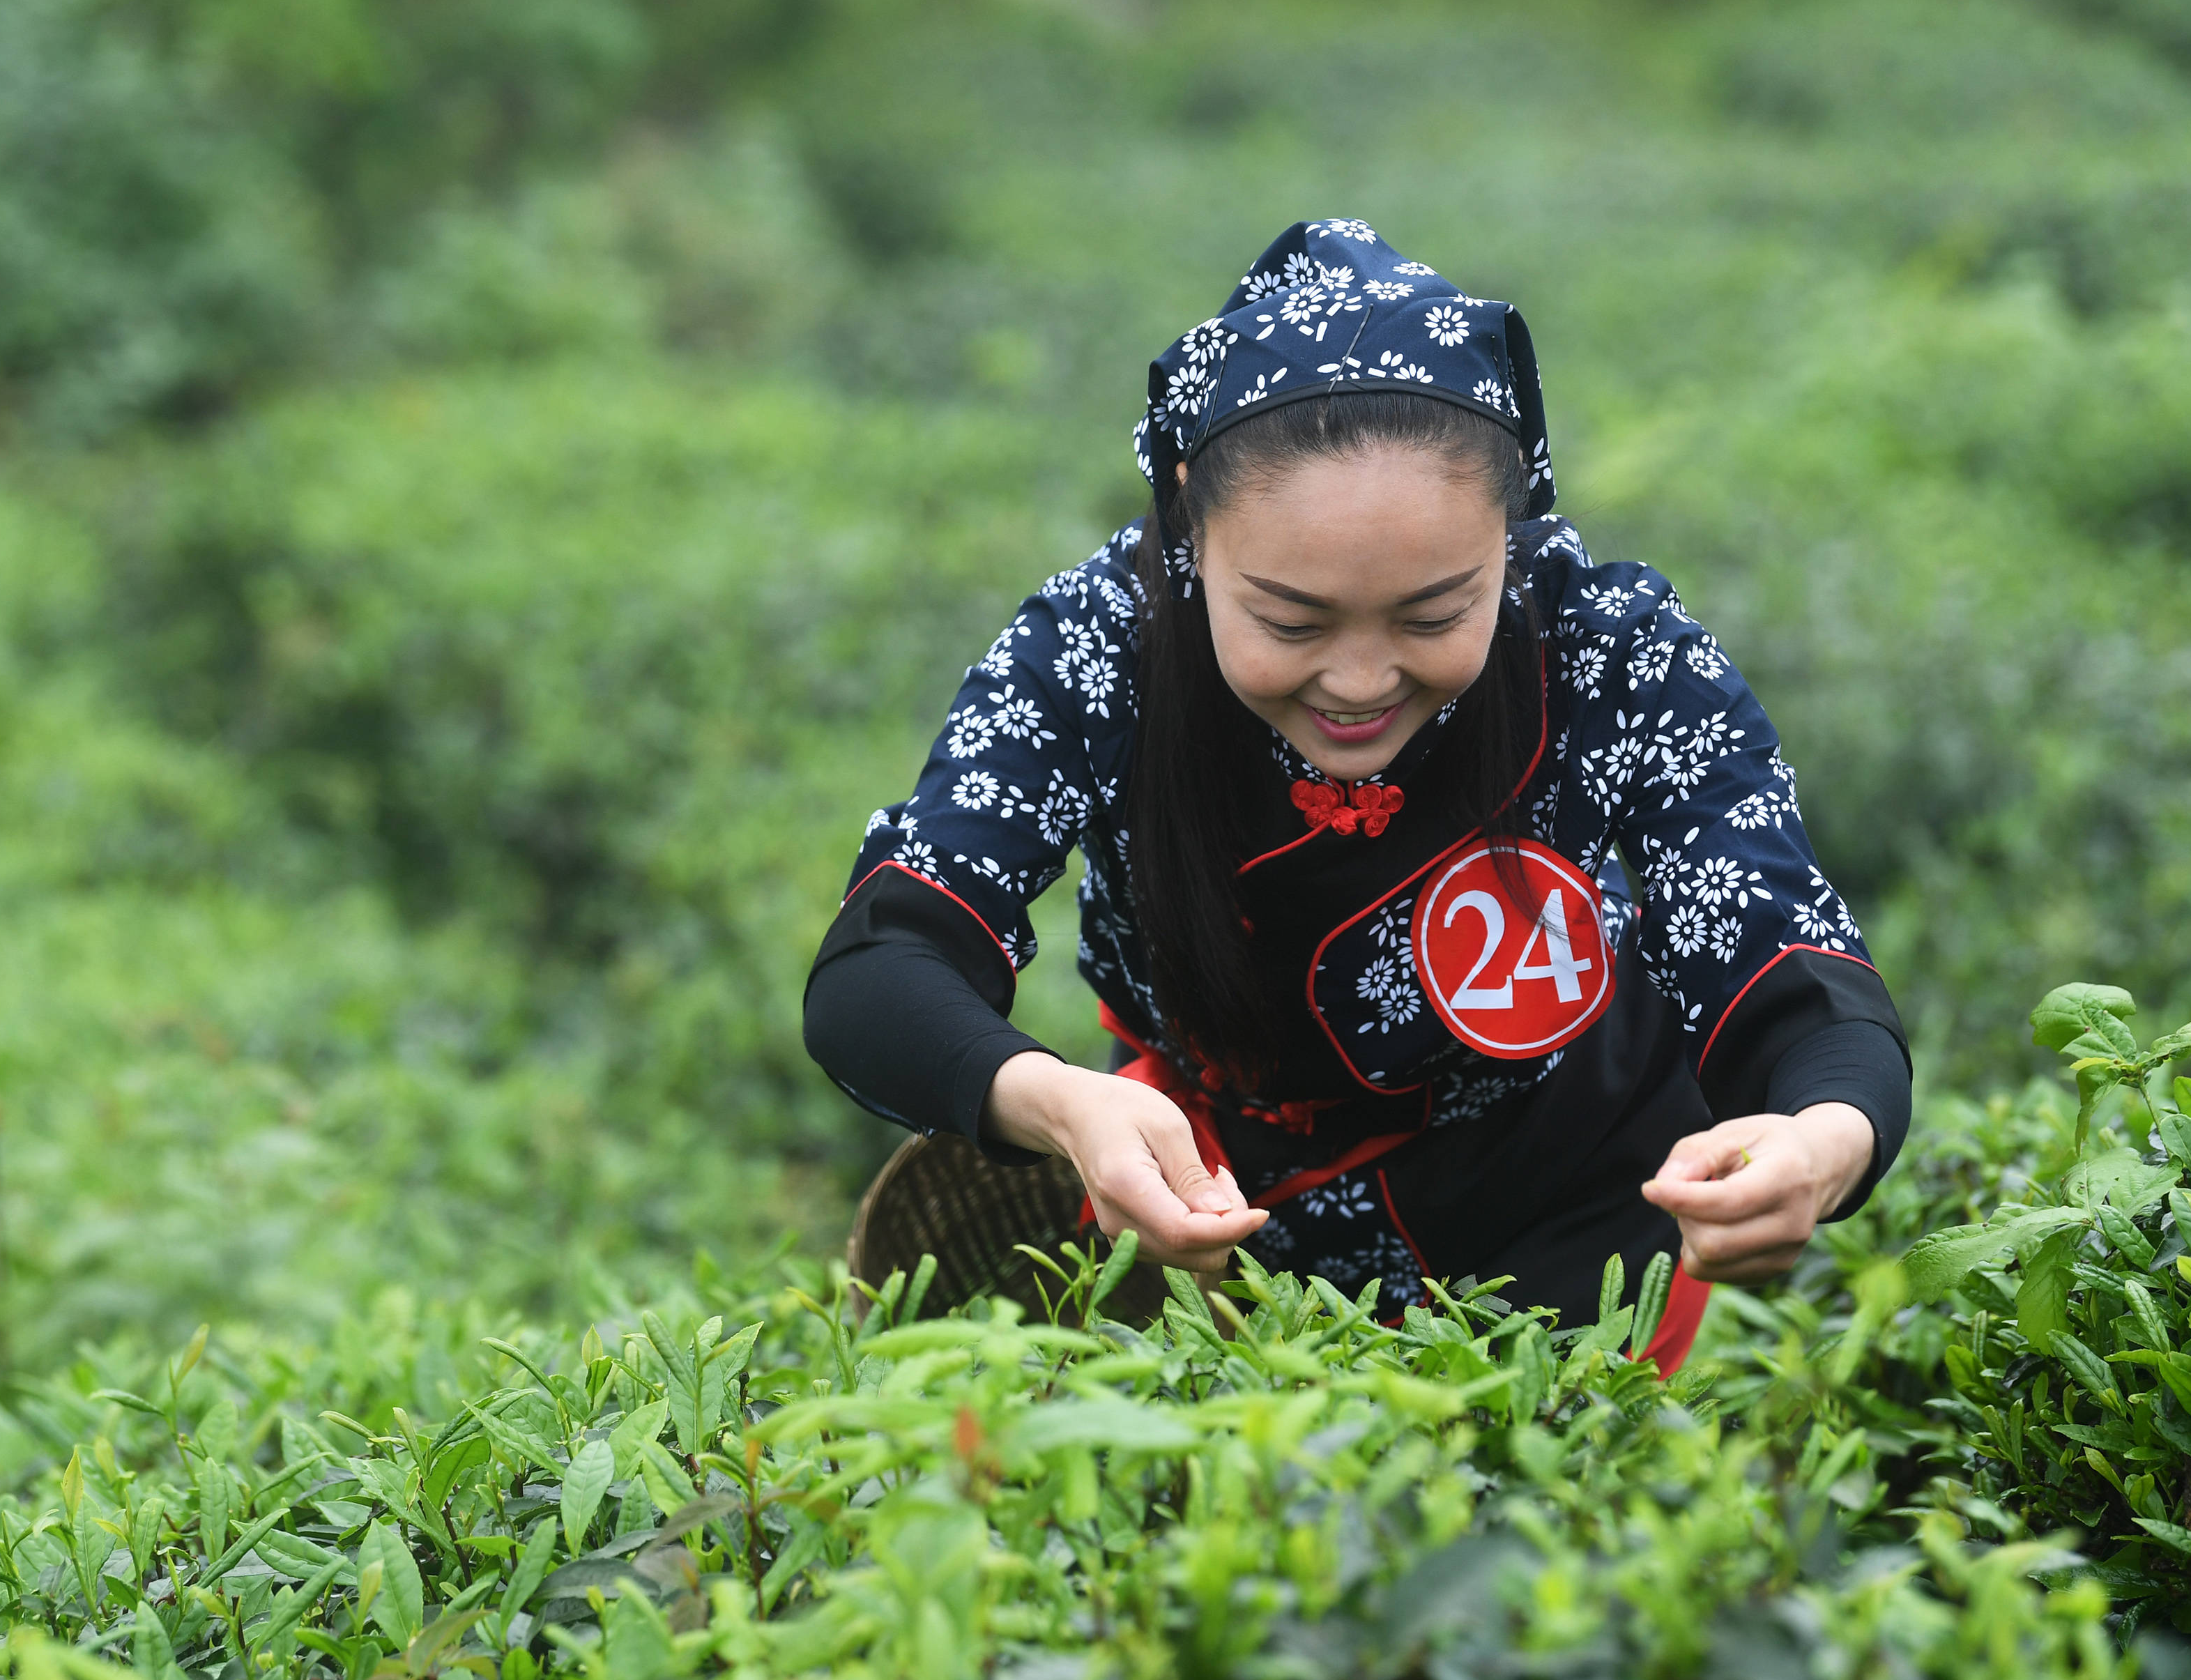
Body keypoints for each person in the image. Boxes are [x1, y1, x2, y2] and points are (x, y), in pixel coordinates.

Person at [802, 220, 1908, 1362]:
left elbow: (1789, 964)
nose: (1361, 682)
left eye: (1436, 614)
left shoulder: (1609, 654)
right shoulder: (1103, 648)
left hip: (1579, 1184)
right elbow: (885, 965)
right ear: (1189, 510)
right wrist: (1060, 1103)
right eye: (1291, 620)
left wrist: (1825, 1138)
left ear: (1514, 522)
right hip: (1225, 1198)